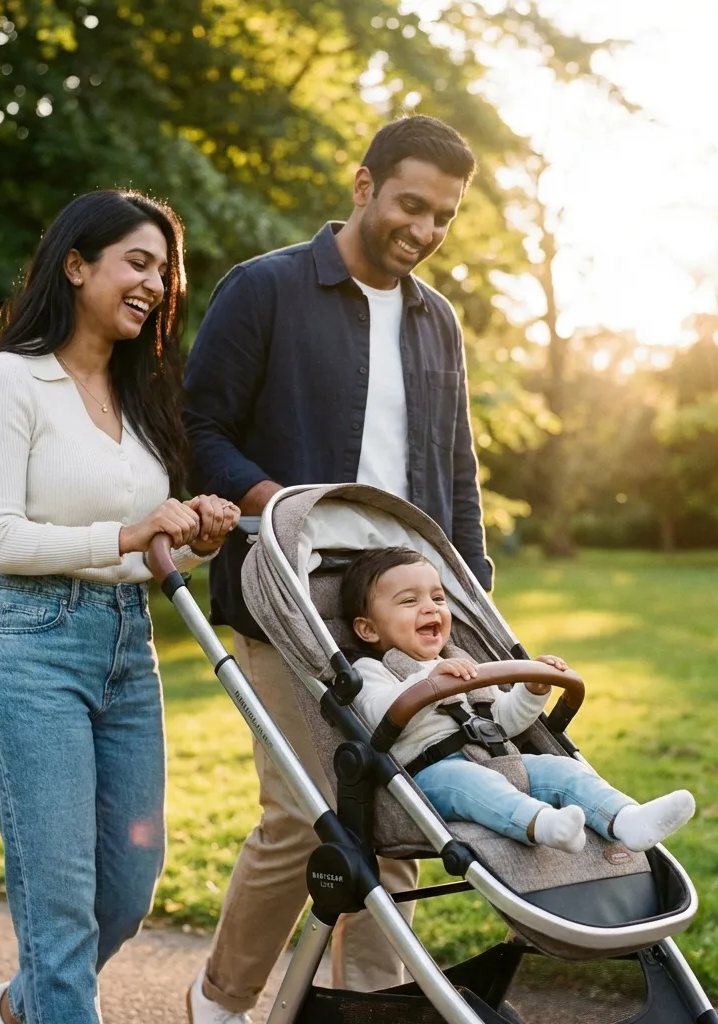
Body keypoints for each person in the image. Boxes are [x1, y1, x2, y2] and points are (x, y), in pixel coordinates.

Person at [182, 115, 490, 1023]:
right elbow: (199, 431)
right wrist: (281, 510)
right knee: (305, 811)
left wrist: (469, 592)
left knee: (392, 805)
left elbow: (455, 469)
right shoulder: (266, 290)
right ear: (363, 187)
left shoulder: (438, 322)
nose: (425, 231)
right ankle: (221, 1001)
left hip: (404, 607)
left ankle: (368, 1009)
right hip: (284, 592)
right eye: (410, 205)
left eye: (444, 216)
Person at [0, 189, 239, 1024]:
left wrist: (198, 540)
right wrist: (128, 535)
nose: (154, 283)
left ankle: (19, 1004)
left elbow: (149, 548)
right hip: (28, 643)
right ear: (76, 266)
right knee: (61, 900)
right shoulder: (11, 379)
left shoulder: (141, 396)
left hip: (125, 647)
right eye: (136, 262)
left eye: (164, 270)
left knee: (128, 886)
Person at [342, 547, 697, 854]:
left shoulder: (462, 661)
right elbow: (377, 718)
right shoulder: (372, 671)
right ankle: (544, 825)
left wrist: (532, 691)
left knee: (562, 769)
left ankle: (627, 819)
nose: (430, 609)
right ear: (369, 629)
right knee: (472, 781)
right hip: (432, 777)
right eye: (409, 601)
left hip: (497, 761)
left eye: (438, 598)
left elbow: (500, 723)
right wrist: (428, 683)